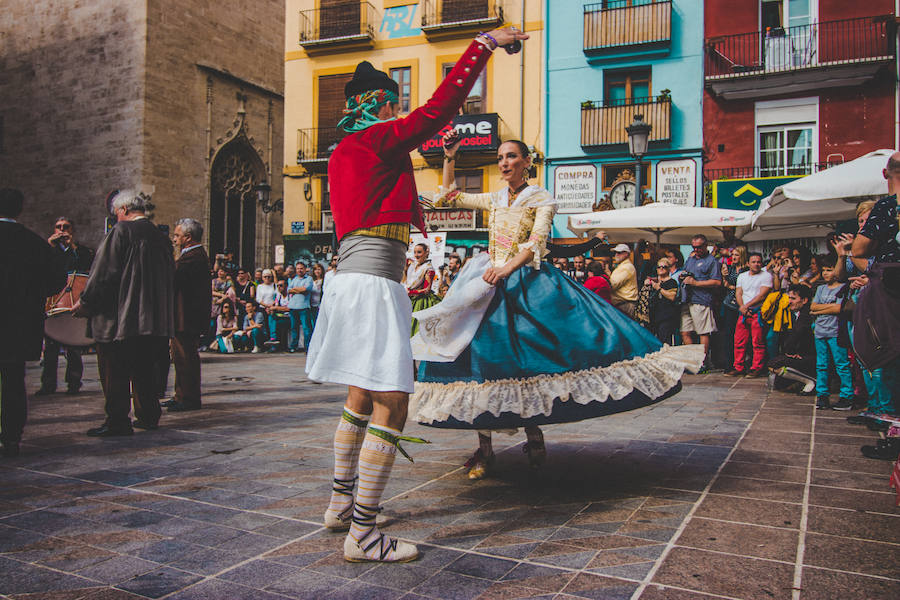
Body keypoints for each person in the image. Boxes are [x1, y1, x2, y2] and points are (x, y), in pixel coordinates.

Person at [306, 26, 529, 564]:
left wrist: (443, 158)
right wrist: (484, 43)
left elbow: (398, 186)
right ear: (380, 104)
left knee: (361, 394)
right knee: (394, 398)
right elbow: (440, 106)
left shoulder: (346, 151)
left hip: (352, 280)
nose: (399, 111)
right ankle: (363, 534)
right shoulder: (376, 139)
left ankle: (340, 506)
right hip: (373, 283)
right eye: (394, 103)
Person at [412, 128, 702, 484]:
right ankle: (484, 448)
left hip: (525, 283)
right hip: (487, 283)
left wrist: (505, 268)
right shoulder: (496, 198)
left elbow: (536, 244)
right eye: (501, 157)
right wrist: (451, 157)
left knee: (534, 361)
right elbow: (451, 198)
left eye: (512, 156)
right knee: (479, 362)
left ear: (526, 162)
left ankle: (534, 435)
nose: (504, 162)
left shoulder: (541, 198)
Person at [74, 190, 175, 436]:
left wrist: (86, 302)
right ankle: (148, 415)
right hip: (153, 319)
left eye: (116, 213)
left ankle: (118, 420)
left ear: (124, 210)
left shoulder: (120, 232)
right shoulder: (161, 237)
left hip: (121, 317)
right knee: (144, 368)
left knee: (114, 368)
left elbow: (104, 274)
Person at [0, 189, 67, 457]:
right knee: (14, 379)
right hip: (19, 323)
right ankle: (12, 437)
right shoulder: (35, 243)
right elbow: (56, 280)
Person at [36, 216, 95, 396]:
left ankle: (74, 382)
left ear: (72, 230)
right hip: (54, 302)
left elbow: (86, 267)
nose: (62, 230)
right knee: (51, 347)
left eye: (66, 227)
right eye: (58, 227)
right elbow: (41, 267)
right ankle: (48, 385)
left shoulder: (82, 251)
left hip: (72, 301)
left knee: (73, 345)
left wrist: (73, 247)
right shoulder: (49, 250)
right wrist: (49, 246)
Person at [165, 218, 210, 414]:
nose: (174, 239)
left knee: (185, 357)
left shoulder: (194, 256)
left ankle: (189, 397)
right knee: (180, 357)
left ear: (188, 237)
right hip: (183, 315)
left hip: (187, 316)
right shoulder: (191, 255)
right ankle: (180, 394)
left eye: (177, 235)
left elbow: (174, 277)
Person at [809, 258, 853, 410]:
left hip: (836, 331)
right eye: (824, 270)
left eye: (829, 270)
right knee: (822, 365)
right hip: (820, 331)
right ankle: (822, 395)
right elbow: (812, 307)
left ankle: (847, 396)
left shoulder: (843, 287)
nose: (826, 273)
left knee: (841, 364)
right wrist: (828, 307)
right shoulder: (821, 288)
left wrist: (820, 308)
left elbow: (838, 309)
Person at [680, 234, 722, 371]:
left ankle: (702, 362)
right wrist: (683, 276)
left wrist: (696, 282)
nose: (696, 250)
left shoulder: (712, 261)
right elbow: (685, 271)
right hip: (687, 298)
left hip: (701, 299)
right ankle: (692, 361)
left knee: (702, 332)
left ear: (705, 246)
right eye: (694, 247)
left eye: (698, 247)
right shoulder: (691, 259)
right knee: (685, 331)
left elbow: (717, 281)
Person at [728, 252, 772, 378]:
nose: (756, 264)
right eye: (753, 262)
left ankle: (756, 368)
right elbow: (738, 293)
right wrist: (742, 307)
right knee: (739, 341)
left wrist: (745, 306)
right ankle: (738, 366)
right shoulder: (742, 276)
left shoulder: (766, 276)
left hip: (757, 311)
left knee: (757, 341)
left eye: (758, 262)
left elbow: (762, 295)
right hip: (743, 312)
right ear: (748, 263)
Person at [767, 285, 816, 395]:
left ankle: (810, 381)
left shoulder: (806, 315)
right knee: (779, 383)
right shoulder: (797, 313)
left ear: (804, 300)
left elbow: (796, 335)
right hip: (801, 354)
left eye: (793, 298)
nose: (789, 301)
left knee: (774, 364)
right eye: (789, 298)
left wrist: (790, 352)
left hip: (811, 357)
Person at [720, 246, 748, 371]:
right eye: (733, 255)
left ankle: (741, 363)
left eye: (736, 255)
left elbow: (741, 287)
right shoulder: (731, 268)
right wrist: (724, 276)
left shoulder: (746, 270)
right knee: (729, 335)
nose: (734, 257)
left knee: (741, 335)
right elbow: (726, 284)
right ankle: (729, 364)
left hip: (741, 304)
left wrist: (733, 287)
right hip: (729, 303)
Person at [403, 243, 439, 335]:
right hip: (409, 298)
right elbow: (406, 282)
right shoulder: (413, 266)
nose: (416, 255)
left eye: (419, 252)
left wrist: (411, 292)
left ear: (426, 253)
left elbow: (426, 290)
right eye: (415, 252)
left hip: (421, 301)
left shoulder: (428, 268)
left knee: (415, 328)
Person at [647, 258, 680, 345]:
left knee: (665, 342)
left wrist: (659, 289)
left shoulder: (672, 282)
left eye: (664, 267)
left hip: (666, 317)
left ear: (669, 268)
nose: (661, 269)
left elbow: (672, 297)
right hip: (654, 316)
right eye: (659, 267)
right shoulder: (655, 282)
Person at [287, 260, 314, 352]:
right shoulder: (293, 279)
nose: (299, 270)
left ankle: (308, 347)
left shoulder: (309, 279)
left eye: (301, 268)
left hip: (304, 307)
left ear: (305, 269)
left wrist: (295, 289)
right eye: (298, 269)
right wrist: (299, 290)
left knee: (306, 328)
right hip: (293, 307)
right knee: (294, 328)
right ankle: (293, 347)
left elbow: (306, 289)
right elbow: (289, 290)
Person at [608, 243, 638, 317]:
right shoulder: (623, 266)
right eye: (615, 253)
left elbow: (612, 285)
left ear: (626, 254)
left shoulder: (626, 267)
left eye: (619, 252)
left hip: (624, 305)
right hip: (623, 304)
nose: (616, 255)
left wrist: (606, 275)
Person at [310, 262, 326, 328]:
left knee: (320, 324)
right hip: (311, 305)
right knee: (312, 323)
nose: (317, 271)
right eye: (315, 269)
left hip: (320, 305)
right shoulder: (311, 280)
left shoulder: (324, 280)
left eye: (319, 269)